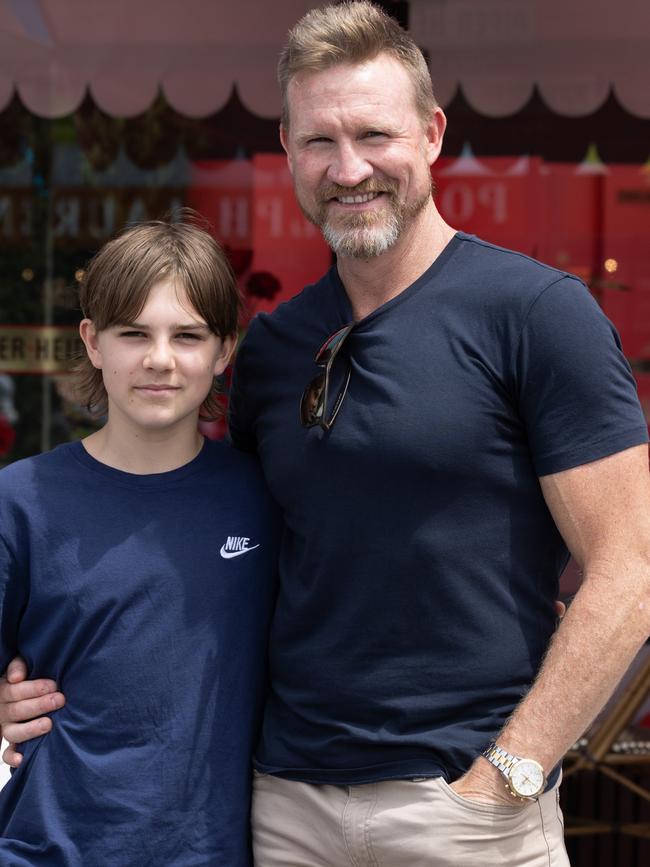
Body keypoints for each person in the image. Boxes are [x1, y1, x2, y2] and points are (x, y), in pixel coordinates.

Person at [2, 2, 650, 865]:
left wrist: (513, 772)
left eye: (374, 135)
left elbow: (631, 566)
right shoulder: (272, 350)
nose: (349, 169)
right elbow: (212, 560)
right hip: (281, 807)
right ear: (287, 148)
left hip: (459, 807)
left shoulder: (535, 315)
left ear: (431, 133)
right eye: (319, 142)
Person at [0, 219, 280, 865]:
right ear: (93, 342)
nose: (160, 358)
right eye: (134, 333)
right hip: (47, 847)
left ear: (224, 350)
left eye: (187, 335)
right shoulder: (22, 499)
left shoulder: (265, 500)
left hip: (211, 850)